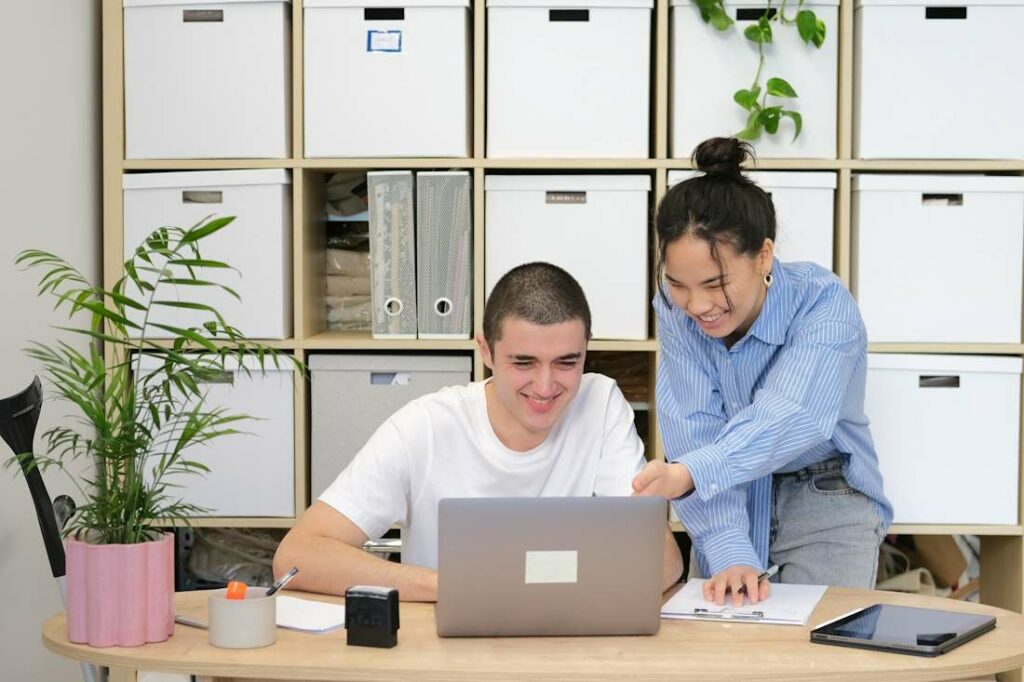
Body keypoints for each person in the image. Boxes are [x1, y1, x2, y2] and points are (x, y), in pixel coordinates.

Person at [275, 262, 683, 600]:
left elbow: (665, 561)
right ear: (485, 350)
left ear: (586, 350)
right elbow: (296, 555)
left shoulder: (601, 403)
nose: (545, 387)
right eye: (523, 363)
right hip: (447, 651)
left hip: (564, 643)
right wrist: (453, 587)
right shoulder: (426, 425)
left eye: (566, 362)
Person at [632, 137, 892, 607]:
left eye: (716, 283)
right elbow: (694, 426)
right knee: (720, 656)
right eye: (678, 285)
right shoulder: (675, 313)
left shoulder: (823, 304)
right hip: (724, 493)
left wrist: (692, 470)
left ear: (764, 256)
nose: (698, 305)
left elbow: (793, 415)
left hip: (825, 493)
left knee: (818, 661)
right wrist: (729, 549)